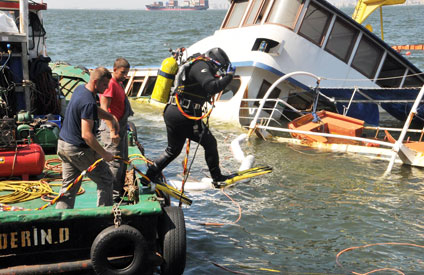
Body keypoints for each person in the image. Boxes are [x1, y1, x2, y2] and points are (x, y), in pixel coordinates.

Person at [145, 47, 236, 186]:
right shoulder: (201, 65)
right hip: (184, 115)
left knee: (173, 150)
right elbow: (211, 86)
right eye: (219, 69)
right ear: (215, 62)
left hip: (175, 112)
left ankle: (149, 176)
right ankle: (217, 177)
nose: (218, 72)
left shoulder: (197, 64)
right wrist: (229, 76)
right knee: (210, 143)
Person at [56, 67, 119, 209]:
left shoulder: (81, 90)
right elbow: (86, 135)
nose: (107, 88)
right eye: (104, 85)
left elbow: (91, 112)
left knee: (69, 188)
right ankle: (104, 218)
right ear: (96, 82)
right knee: (106, 179)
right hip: (77, 149)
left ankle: (61, 218)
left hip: (63, 145)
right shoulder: (88, 102)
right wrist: (104, 153)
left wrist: (110, 117)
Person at [99, 57, 133, 203]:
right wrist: (112, 130)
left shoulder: (118, 83)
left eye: (127, 73)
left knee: (122, 160)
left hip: (121, 127)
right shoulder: (111, 84)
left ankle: (117, 193)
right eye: (122, 73)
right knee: (113, 162)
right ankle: (111, 196)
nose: (125, 76)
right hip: (111, 129)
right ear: (114, 70)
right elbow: (104, 109)